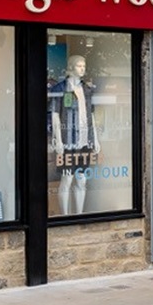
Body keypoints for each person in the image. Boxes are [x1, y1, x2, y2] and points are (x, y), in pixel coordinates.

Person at [49, 54, 99, 215]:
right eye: (79, 65)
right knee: (67, 178)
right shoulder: (60, 88)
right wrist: (58, 140)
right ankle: (64, 216)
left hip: (84, 141)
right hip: (68, 140)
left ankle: (79, 214)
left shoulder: (87, 89)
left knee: (81, 179)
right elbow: (55, 115)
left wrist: (95, 139)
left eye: (84, 65)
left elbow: (91, 115)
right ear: (71, 67)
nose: (82, 68)